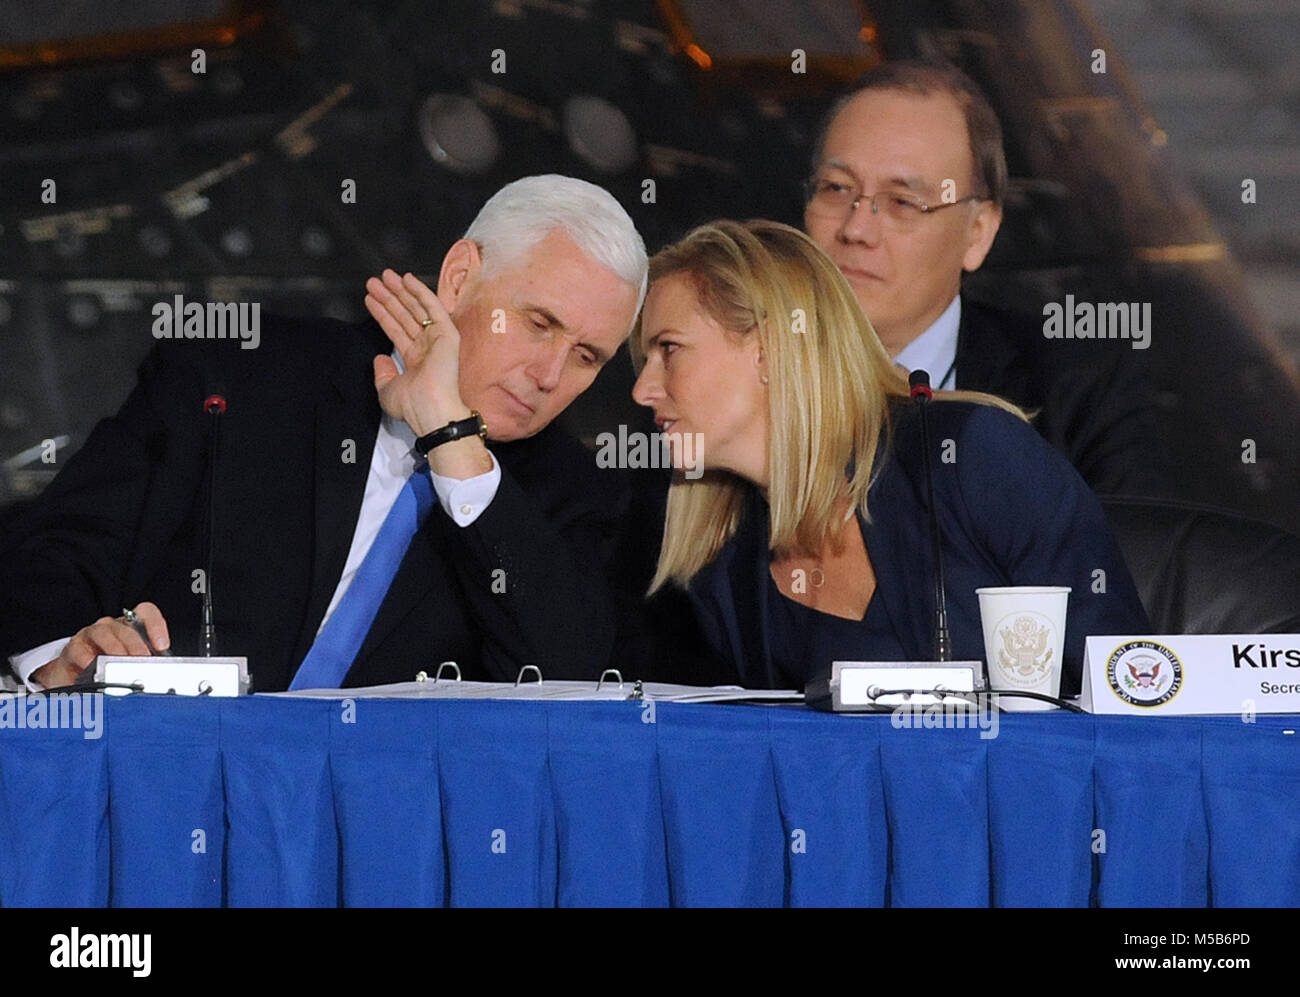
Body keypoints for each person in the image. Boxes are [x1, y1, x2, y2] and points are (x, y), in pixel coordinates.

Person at [1, 175, 646, 692]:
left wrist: (452, 440)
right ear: (459, 278)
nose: (549, 374)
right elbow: (56, 550)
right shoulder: (237, 377)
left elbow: (566, 679)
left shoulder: (568, 497)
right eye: (538, 324)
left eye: (588, 357)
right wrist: (62, 663)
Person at [630, 219, 1150, 695]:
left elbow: (1129, 690)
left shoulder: (973, 454)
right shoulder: (720, 563)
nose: (643, 390)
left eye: (668, 349)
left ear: (767, 348)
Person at [802, 60, 1160, 497]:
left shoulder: (1080, 396)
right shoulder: (731, 368)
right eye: (837, 189)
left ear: (978, 233)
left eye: (902, 202)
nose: (856, 230)